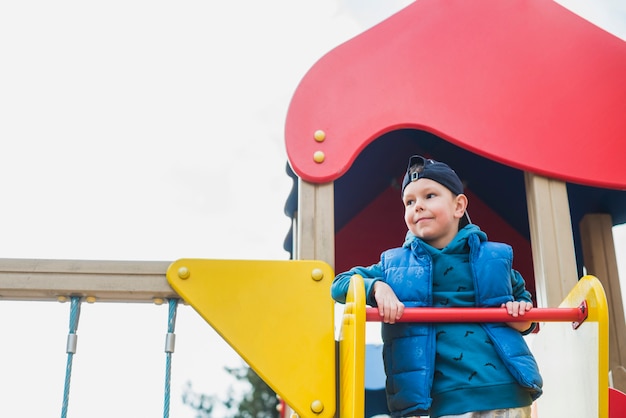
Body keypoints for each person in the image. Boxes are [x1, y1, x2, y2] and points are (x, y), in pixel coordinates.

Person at [331, 155, 542, 418]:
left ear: (458, 206)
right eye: (409, 202)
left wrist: (520, 313)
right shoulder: (395, 266)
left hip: (501, 390)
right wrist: (376, 288)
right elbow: (338, 284)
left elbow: (527, 311)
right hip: (438, 401)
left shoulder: (493, 259)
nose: (417, 206)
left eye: (429, 196)